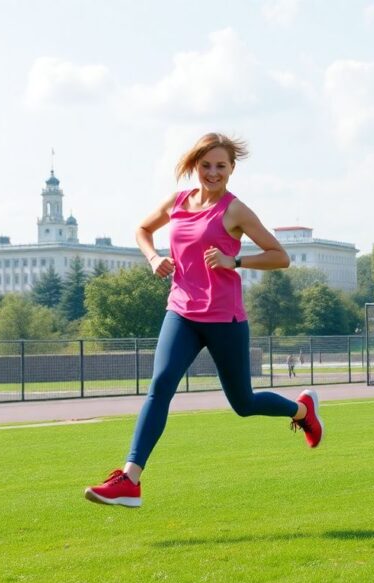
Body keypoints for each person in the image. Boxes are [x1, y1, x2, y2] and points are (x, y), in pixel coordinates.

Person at [85, 133, 323, 508]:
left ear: (231, 169)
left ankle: (303, 411)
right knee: (160, 385)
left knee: (243, 403)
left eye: (221, 166)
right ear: (195, 166)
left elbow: (280, 256)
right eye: (206, 165)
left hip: (223, 317)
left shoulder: (235, 210)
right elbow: (142, 229)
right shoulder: (178, 202)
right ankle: (130, 480)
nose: (212, 172)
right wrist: (152, 258)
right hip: (180, 310)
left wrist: (237, 261)